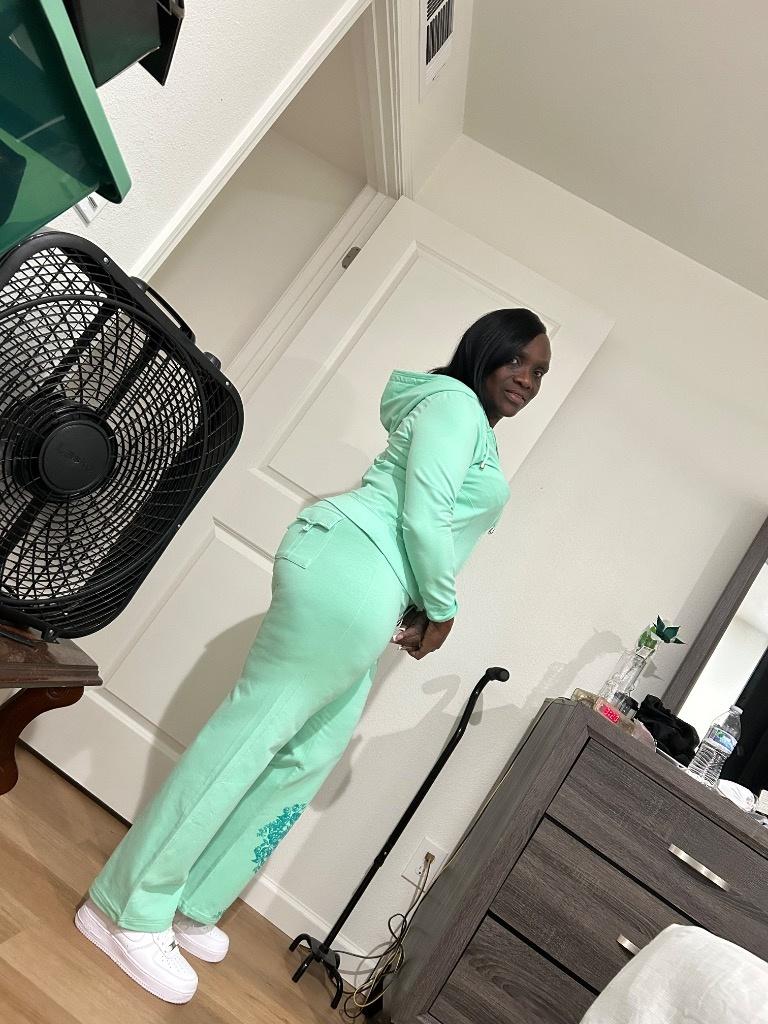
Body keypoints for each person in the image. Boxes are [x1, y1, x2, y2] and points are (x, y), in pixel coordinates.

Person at [74, 308, 551, 1003]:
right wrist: (443, 611)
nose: (528, 380)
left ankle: (191, 899)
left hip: (371, 583)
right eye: (518, 361)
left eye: (540, 373)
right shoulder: (453, 404)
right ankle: (123, 909)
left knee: (305, 757)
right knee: (249, 741)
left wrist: (420, 603)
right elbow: (422, 512)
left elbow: (438, 526)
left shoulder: (471, 428)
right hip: (351, 568)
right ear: (486, 352)